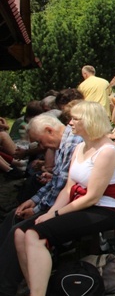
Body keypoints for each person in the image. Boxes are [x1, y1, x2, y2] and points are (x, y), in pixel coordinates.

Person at [14, 101, 115, 296]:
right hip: (82, 204)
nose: (70, 123)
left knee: (34, 234)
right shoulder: (80, 147)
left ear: (90, 121)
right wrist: (50, 213)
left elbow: (92, 197)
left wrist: (56, 213)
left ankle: (37, 293)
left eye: (75, 119)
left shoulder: (107, 151)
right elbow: (68, 188)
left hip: (106, 209)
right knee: (20, 234)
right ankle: (38, 287)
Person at [0, 114, 83, 296]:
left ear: (49, 130)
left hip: (72, 204)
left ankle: (7, 286)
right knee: (13, 216)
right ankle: (12, 278)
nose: (42, 146)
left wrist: (36, 209)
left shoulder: (71, 143)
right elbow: (57, 183)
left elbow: (62, 186)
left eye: (40, 141)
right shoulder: (64, 143)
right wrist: (34, 201)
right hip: (62, 200)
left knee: (19, 230)